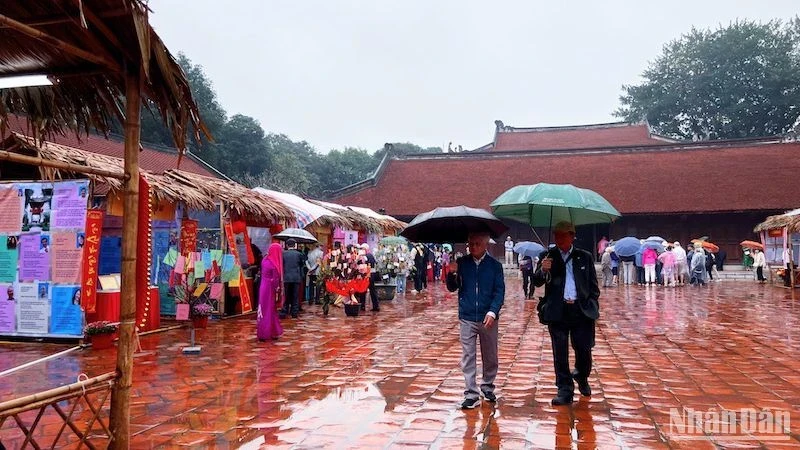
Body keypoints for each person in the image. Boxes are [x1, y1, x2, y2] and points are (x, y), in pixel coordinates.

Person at [532, 221, 600, 406]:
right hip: (558, 310)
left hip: (580, 310)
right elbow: (537, 282)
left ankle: (582, 374)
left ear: (572, 236)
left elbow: (593, 286)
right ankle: (564, 389)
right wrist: (542, 270)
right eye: (556, 235)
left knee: (584, 349)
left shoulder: (584, 257)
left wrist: (591, 302)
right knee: (559, 352)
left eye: (563, 235)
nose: (559, 239)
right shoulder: (547, 256)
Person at [446, 232, 505, 409]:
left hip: (488, 317)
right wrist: (452, 274)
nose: (473, 247)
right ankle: (471, 393)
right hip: (467, 316)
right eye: (470, 244)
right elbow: (452, 288)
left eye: (477, 243)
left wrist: (493, 312)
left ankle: (487, 386)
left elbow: (499, 292)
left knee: (490, 355)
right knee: (468, 356)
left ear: (486, 244)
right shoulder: (462, 263)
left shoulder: (495, 266)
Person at [257, 244, 283, 340]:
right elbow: (275, 279)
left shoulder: (265, 260)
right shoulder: (274, 263)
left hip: (263, 286)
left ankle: (267, 331)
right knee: (270, 309)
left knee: (264, 309)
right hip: (269, 288)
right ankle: (267, 332)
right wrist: (278, 289)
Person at [281, 239, 306, 318]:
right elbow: (302, 264)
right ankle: (294, 312)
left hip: (286, 277)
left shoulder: (283, 254)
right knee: (295, 295)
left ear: (287, 245)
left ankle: (284, 311)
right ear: (294, 245)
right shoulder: (299, 254)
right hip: (296, 277)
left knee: (286, 295)